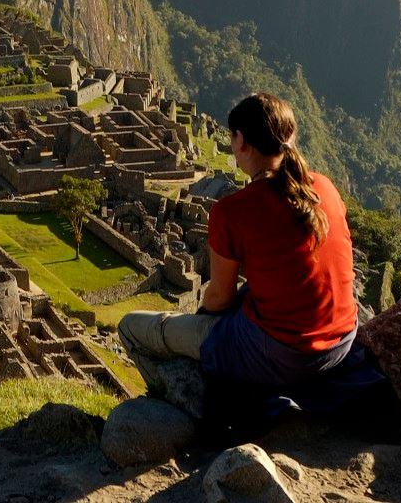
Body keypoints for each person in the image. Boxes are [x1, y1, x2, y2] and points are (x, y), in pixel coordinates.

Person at [118, 93, 376, 424]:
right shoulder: (325, 187)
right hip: (342, 341)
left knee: (132, 327)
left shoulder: (233, 211)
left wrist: (202, 326)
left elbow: (219, 298)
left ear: (240, 141)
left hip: (287, 356)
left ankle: (185, 408)